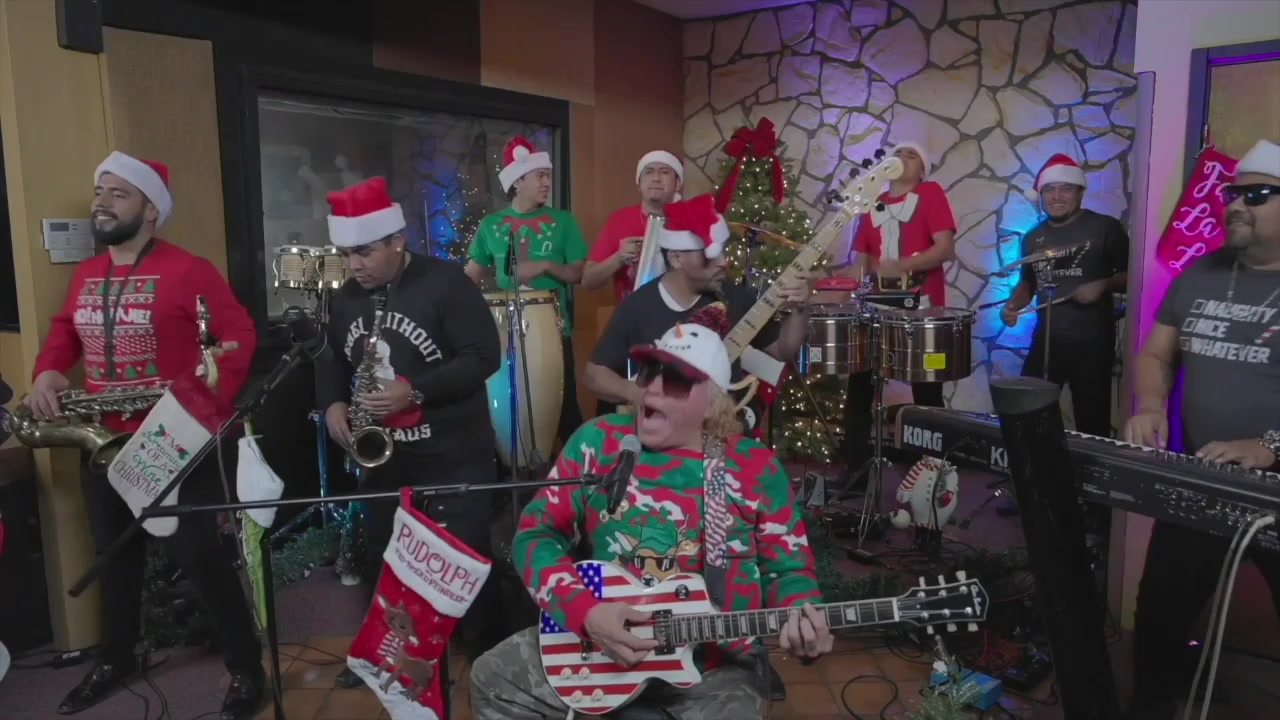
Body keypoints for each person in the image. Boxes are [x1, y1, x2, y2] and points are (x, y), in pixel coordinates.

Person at [469, 305, 831, 719]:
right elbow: (537, 534)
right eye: (648, 372)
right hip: (598, 650)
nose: (652, 390)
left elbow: (789, 570)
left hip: (713, 668)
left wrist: (803, 617)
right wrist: (587, 613)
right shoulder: (598, 443)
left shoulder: (753, 468)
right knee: (491, 679)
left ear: (713, 404)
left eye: (675, 379)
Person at [25, 152, 263, 718]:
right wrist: (49, 370)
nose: (101, 202)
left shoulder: (190, 270)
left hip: (173, 441)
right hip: (104, 441)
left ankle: (247, 668)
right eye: (99, 191)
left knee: (199, 555)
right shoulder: (87, 273)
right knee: (115, 556)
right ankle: (118, 658)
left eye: (119, 193)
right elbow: (66, 330)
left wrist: (199, 407)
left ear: (151, 209)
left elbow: (238, 336)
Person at [315, 177, 507, 687]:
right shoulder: (347, 297)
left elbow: (484, 355)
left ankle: (487, 655)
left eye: (365, 252)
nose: (354, 265)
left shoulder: (446, 284)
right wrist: (332, 403)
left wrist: (415, 390)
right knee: (385, 554)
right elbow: (331, 359)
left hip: (453, 452)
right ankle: (386, 654)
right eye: (347, 254)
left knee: (466, 556)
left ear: (397, 240)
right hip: (387, 458)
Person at [1122, 139, 1280, 720]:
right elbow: (1156, 354)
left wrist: (1269, 446)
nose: (1234, 204)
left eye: (1256, 195)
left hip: (1277, 489)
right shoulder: (1201, 272)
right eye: (1233, 193)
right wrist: (1151, 405)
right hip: (1205, 478)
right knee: (1160, 610)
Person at [584, 193, 813, 429]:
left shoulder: (734, 297)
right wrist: (637, 393)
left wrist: (800, 308)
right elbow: (594, 374)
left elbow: (783, 349)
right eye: (710, 255)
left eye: (722, 251)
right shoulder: (639, 305)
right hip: (666, 432)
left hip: (722, 429)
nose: (723, 262)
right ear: (677, 258)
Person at [835, 142, 957, 477]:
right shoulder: (872, 204)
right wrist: (829, 290)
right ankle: (856, 471)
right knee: (860, 388)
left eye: (912, 154)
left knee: (927, 392)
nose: (902, 157)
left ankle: (933, 475)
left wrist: (900, 265)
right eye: (898, 152)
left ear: (923, 171)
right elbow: (860, 265)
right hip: (877, 310)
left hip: (923, 310)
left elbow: (945, 249)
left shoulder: (931, 193)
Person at [465, 136, 588, 450]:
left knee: (563, 409)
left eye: (548, 175)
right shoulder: (491, 225)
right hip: (504, 331)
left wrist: (545, 265)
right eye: (540, 176)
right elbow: (470, 278)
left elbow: (577, 273)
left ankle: (576, 470)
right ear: (518, 181)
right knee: (507, 408)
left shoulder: (564, 222)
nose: (547, 182)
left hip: (552, 330)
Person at [1000, 153, 1129, 439]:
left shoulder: (1105, 228)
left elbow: (1134, 278)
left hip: (1093, 343)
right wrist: (1013, 305)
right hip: (1046, 341)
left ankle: (1089, 468)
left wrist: (1103, 284)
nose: (1057, 196)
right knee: (1027, 414)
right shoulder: (1032, 237)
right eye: (1049, 189)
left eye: (1065, 188)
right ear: (1041, 194)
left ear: (1080, 191)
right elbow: (1027, 283)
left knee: (1092, 424)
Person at [582, 150, 684, 301]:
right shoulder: (619, 219)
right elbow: (588, 280)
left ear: (678, 183)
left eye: (664, 172)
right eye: (648, 172)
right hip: (631, 311)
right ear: (639, 183)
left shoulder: (691, 220)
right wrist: (619, 258)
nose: (656, 178)